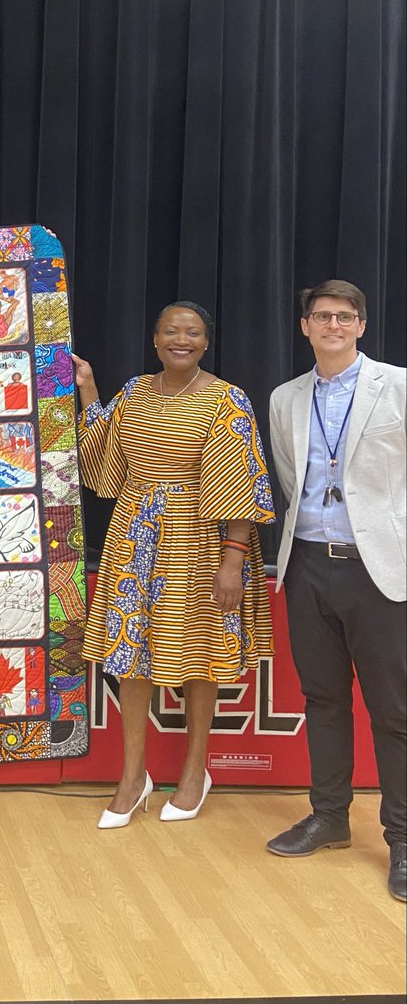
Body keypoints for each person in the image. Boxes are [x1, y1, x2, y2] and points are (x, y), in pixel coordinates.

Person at [74, 302, 274, 829]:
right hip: (134, 535)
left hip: (199, 540)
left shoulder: (226, 398)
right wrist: (89, 386)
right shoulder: (137, 390)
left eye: (193, 333)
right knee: (130, 653)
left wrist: (231, 562)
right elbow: (106, 459)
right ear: (155, 338)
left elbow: (241, 482)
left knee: (199, 656)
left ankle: (194, 772)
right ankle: (132, 775)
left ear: (206, 342)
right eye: (171, 331)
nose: (181, 339)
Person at [265, 280, 406, 902]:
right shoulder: (286, 398)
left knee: (393, 712)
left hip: (376, 568)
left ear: (361, 325)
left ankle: (402, 839)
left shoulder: (397, 386)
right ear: (304, 326)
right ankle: (329, 818)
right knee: (322, 700)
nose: (333, 325)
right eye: (322, 316)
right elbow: (291, 479)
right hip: (308, 566)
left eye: (345, 317)